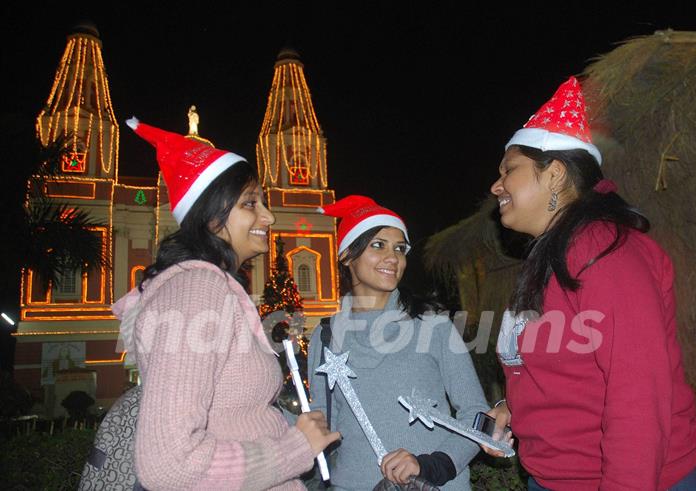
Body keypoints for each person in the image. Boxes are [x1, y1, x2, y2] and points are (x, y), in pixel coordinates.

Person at [485, 76, 696, 490]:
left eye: (510, 170)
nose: (496, 185)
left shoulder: (606, 253)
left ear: (555, 173)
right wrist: (513, 408)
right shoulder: (550, 255)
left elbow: (638, 399)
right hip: (560, 479)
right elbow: (561, 373)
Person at [112, 117, 339, 490]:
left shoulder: (212, 286)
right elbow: (168, 464)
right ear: (212, 215)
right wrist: (296, 448)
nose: (268, 216)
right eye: (251, 203)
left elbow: (231, 415)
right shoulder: (196, 289)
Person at [307, 195, 491, 490]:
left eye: (400, 248)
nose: (393, 258)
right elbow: (320, 422)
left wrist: (433, 464)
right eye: (378, 245)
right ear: (346, 256)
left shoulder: (434, 326)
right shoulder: (325, 335)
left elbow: (477, 414)